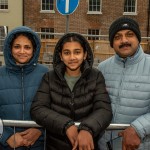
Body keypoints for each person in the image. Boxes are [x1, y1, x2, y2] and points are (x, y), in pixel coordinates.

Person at [30, 32, 112, 150]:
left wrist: (87, 129)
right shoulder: (49, 77)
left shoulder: (96, 76)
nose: (72, 57)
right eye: (67, 53)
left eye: (77, 52)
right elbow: (38, 109)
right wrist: (66, 125)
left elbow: (104, 109)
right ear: (61, 56)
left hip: (87, 146)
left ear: (85, 55)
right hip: (55, 146)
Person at [98, 17, 150, 150]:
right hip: (105, 145)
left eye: (129, 35)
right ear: (112, 43)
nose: (124, 40)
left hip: (139, 145)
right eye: (117, 37)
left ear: (138, 38)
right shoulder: (102, 68)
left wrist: (138, 129)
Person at [0, 26, 49, 149]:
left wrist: (40, 130)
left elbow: (54, 108)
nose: (22, 51)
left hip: (38, 144)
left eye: (27, 47)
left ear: (34, 50)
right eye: (17, 46)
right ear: (10, 48)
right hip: (7, 146)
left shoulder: (45, 73)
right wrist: (6, 136)